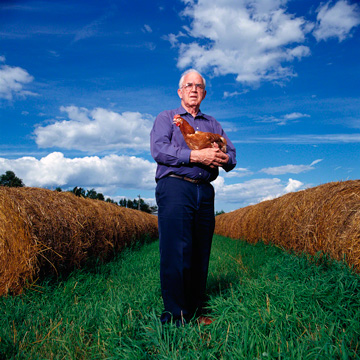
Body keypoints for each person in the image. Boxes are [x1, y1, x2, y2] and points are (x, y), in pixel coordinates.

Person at [150, 69, 236, 325]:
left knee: (200, 250)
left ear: (205, 93)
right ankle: (176, 314)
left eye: (199, 86)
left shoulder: (213, 124)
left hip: (204, 190)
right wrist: (196, 156)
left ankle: (196, 310)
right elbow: (159, 149)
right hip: (176, 186)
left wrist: (224, 158)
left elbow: (231, 154)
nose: (194, 89)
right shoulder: (167, 118)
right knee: (176, 250)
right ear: (180, 91)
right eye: (189, 85)